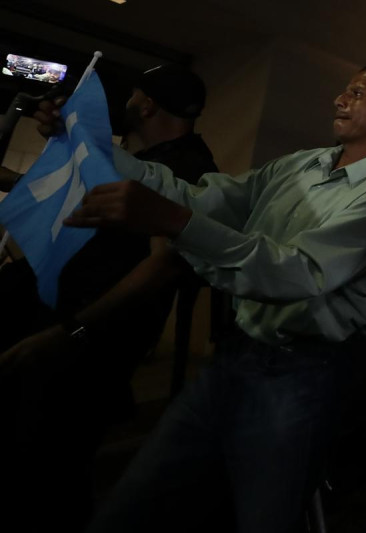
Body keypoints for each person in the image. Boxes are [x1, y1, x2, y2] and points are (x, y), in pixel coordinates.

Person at [58, 63, 366, 533]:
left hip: (303, 374)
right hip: (237, 358)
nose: (339, 99)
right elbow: (207, 198)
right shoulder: (303, 163)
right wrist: (89, 143)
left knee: (262, 516)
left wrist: (174, 221)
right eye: (344, 89)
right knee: (135, 502)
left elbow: (295, 271)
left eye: (356, 92)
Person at [0, 64, 219, 532]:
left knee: (48, 474)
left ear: (146, 105)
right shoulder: (140, 155)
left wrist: (73, 332)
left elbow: (164, 265)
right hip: (59, 322)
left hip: (88, 344)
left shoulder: (185, 168)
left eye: (133, 95)